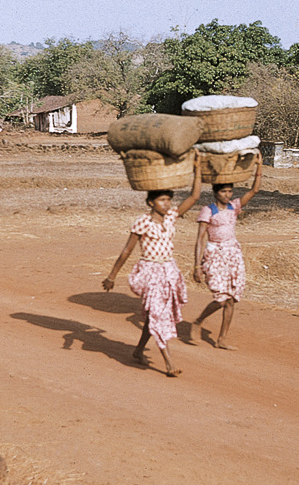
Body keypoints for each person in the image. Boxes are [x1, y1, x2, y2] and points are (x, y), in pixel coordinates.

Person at [103, 156, 202, 377]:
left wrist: (197, 169)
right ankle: (168, 363)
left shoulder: (171, 218)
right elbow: (127, 250)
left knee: (154, 315)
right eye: (162, 200)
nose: (167, 204)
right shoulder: (142, 222)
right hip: (150, 272)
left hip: (169, 271)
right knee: (158, 314)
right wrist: (112, 276)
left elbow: (195, 197)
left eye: (169, 200)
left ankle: (138, 351)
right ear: (151, 203)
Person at [191, 154, 263, 350]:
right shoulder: (208, 211)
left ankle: (222, 339)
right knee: (221, 299)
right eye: (224, 191)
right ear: (216, 193)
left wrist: (259, 164)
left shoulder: (234, 207)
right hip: (214, 255)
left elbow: (255, 190)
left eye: (230, 191)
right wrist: (197, 266)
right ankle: (198, 321)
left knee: (231, 299)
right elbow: (200, 239)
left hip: (233, 254)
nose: (227, 195)